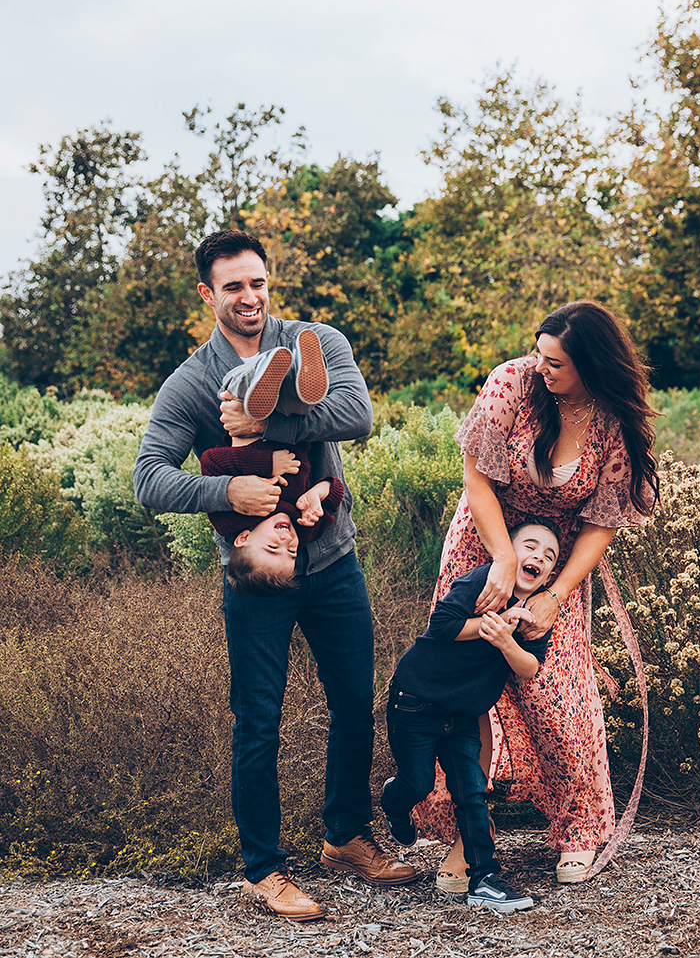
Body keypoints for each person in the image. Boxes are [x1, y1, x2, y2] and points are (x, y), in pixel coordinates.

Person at [133, 229, 418, 923]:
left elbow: (358, 415)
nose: (250, 297)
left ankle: (345, 836)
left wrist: (274, 410)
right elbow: (149, 477)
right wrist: (227, 494)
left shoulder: (317, 340)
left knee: (355, 701)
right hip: (258, 575)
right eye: (233, 286)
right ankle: (263, 869)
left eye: (258, 282)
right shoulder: (192, 382)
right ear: (207, 294)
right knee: (257, 721)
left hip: (334, 559)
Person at [414, 300, 659, 888]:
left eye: (557, 363)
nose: (542, 368)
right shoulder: (512, 384)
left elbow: (602, 521)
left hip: (556, 559)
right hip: (485, 539)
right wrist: (500, 557)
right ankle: (467, 837)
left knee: (556, 689)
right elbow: (476, 477)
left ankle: (577, 826)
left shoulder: (612, 421)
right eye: (541, 355)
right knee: (464, 690)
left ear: (592, 366)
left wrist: (556, 593)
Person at [381, 518, 560, 913]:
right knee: (418, 783)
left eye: (549, 557)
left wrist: (505, 640)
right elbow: (441, 626)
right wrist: (492, 626)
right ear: (509, 553)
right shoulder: (482, 581)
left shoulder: (536, 611)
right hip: (416, 701)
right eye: (530, 547)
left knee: (472, 792)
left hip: (463, 713)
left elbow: (529, 667)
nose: (539, 559)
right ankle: (395, 802)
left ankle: (485, 878)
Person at [200, 433, 344, 594]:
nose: (287, 539)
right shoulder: (305, 526)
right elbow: (336, 491)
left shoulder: (229, 522)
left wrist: (268, 463)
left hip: (249, 430)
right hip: (293, 431)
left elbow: (211, 462)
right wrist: (318, 493)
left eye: (273, 547)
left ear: (243, 539)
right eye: (292, 552)